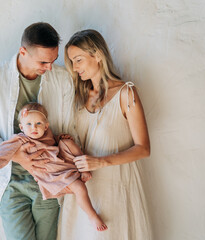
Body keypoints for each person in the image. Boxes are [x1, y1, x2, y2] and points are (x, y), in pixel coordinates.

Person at [0, 22, 76, 240]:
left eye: (53, 60)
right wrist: (16, 155)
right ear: (23, 52)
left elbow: (67, 128)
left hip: (49, 180)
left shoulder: (63, 79)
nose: (49, 67)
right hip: (9, 183)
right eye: (43, 61)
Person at [57, 29, 152, 239]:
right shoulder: (78, 97)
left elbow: (143, 148)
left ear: (98, 55)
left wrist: (101, 162)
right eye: (72, 61)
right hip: (82, 192)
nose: (74, 67)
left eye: (79, 60)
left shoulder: (126, 93)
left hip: (116, 188)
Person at [0, 103, 108, 231]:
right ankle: (92, 215)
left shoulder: (47, 134)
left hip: (61, 161)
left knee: (68, 142)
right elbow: (4, 150)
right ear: (21, 127)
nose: (34, 128)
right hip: (49, 173)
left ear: (46, 126)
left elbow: (52, 143)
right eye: (29, 124)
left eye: (38, 124)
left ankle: (83, 168)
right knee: (79, 187)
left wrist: (60, 138)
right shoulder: (21, 139)